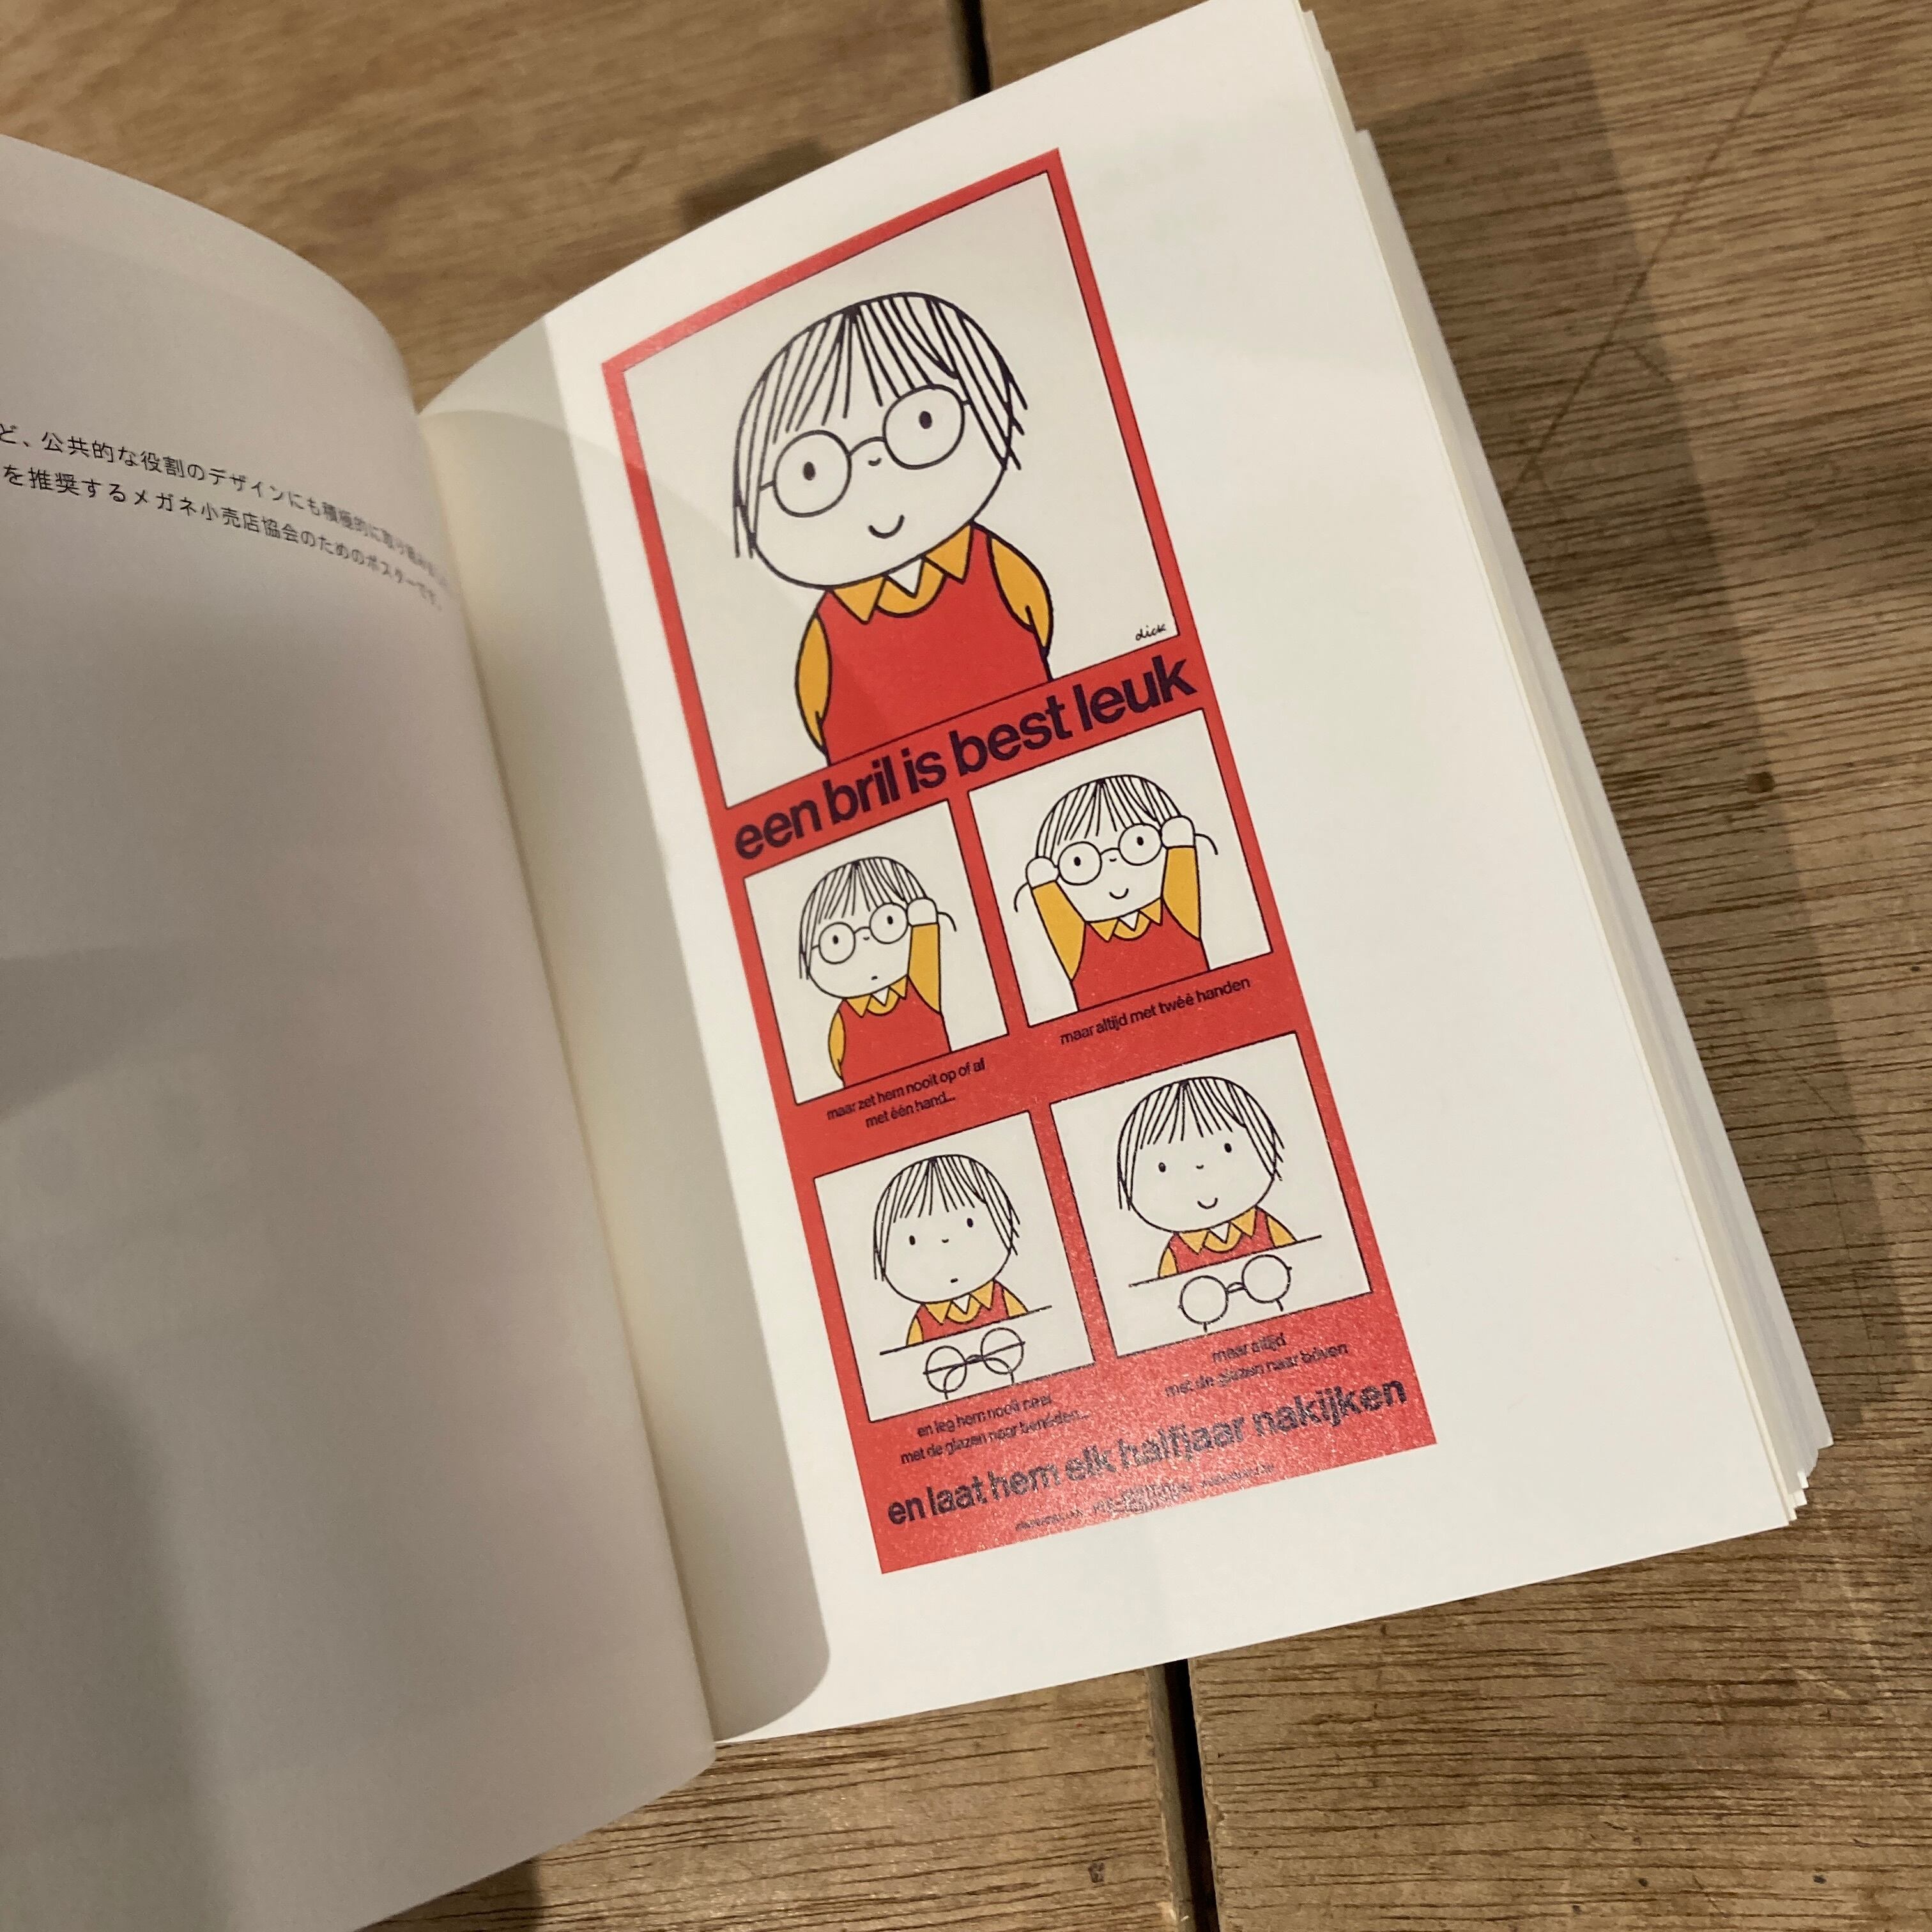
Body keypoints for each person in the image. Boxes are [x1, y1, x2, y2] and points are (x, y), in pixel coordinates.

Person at [732, 291, 1052, 762]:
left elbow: (1036, 628)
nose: (873, 468)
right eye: (810, 471)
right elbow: (820, 719)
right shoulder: (828, 636)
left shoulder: (996, 568)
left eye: (923, 421)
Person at [1025, 773, 1207, 1008]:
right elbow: (1051, 901)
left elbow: (1180, 865)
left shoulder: (1176, 915)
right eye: (1079, 861)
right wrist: (1043, 887)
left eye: (1139, 842)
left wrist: (1181, 845)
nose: (1113, 862)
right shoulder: (1080, 943)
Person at [1115, 1075, 1294, 1278]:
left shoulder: (1265, 1227)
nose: (1200, 1171)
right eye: (1164, 1167)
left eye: (1227, 1148)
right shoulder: (1177, 1253)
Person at [797, 854, 949, 1085]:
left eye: (889, 921)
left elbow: (925, 949)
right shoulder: (843, 1021)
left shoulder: (919, 990)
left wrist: (925, 924)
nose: (865, 940)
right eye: (836, 940)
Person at [873, 1153, 1028, 1347]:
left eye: (969, 1223)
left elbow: (1031, 1333)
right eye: (913, 1240)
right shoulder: (924, 1322)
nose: (944, 1246)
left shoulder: (1001, 1299)